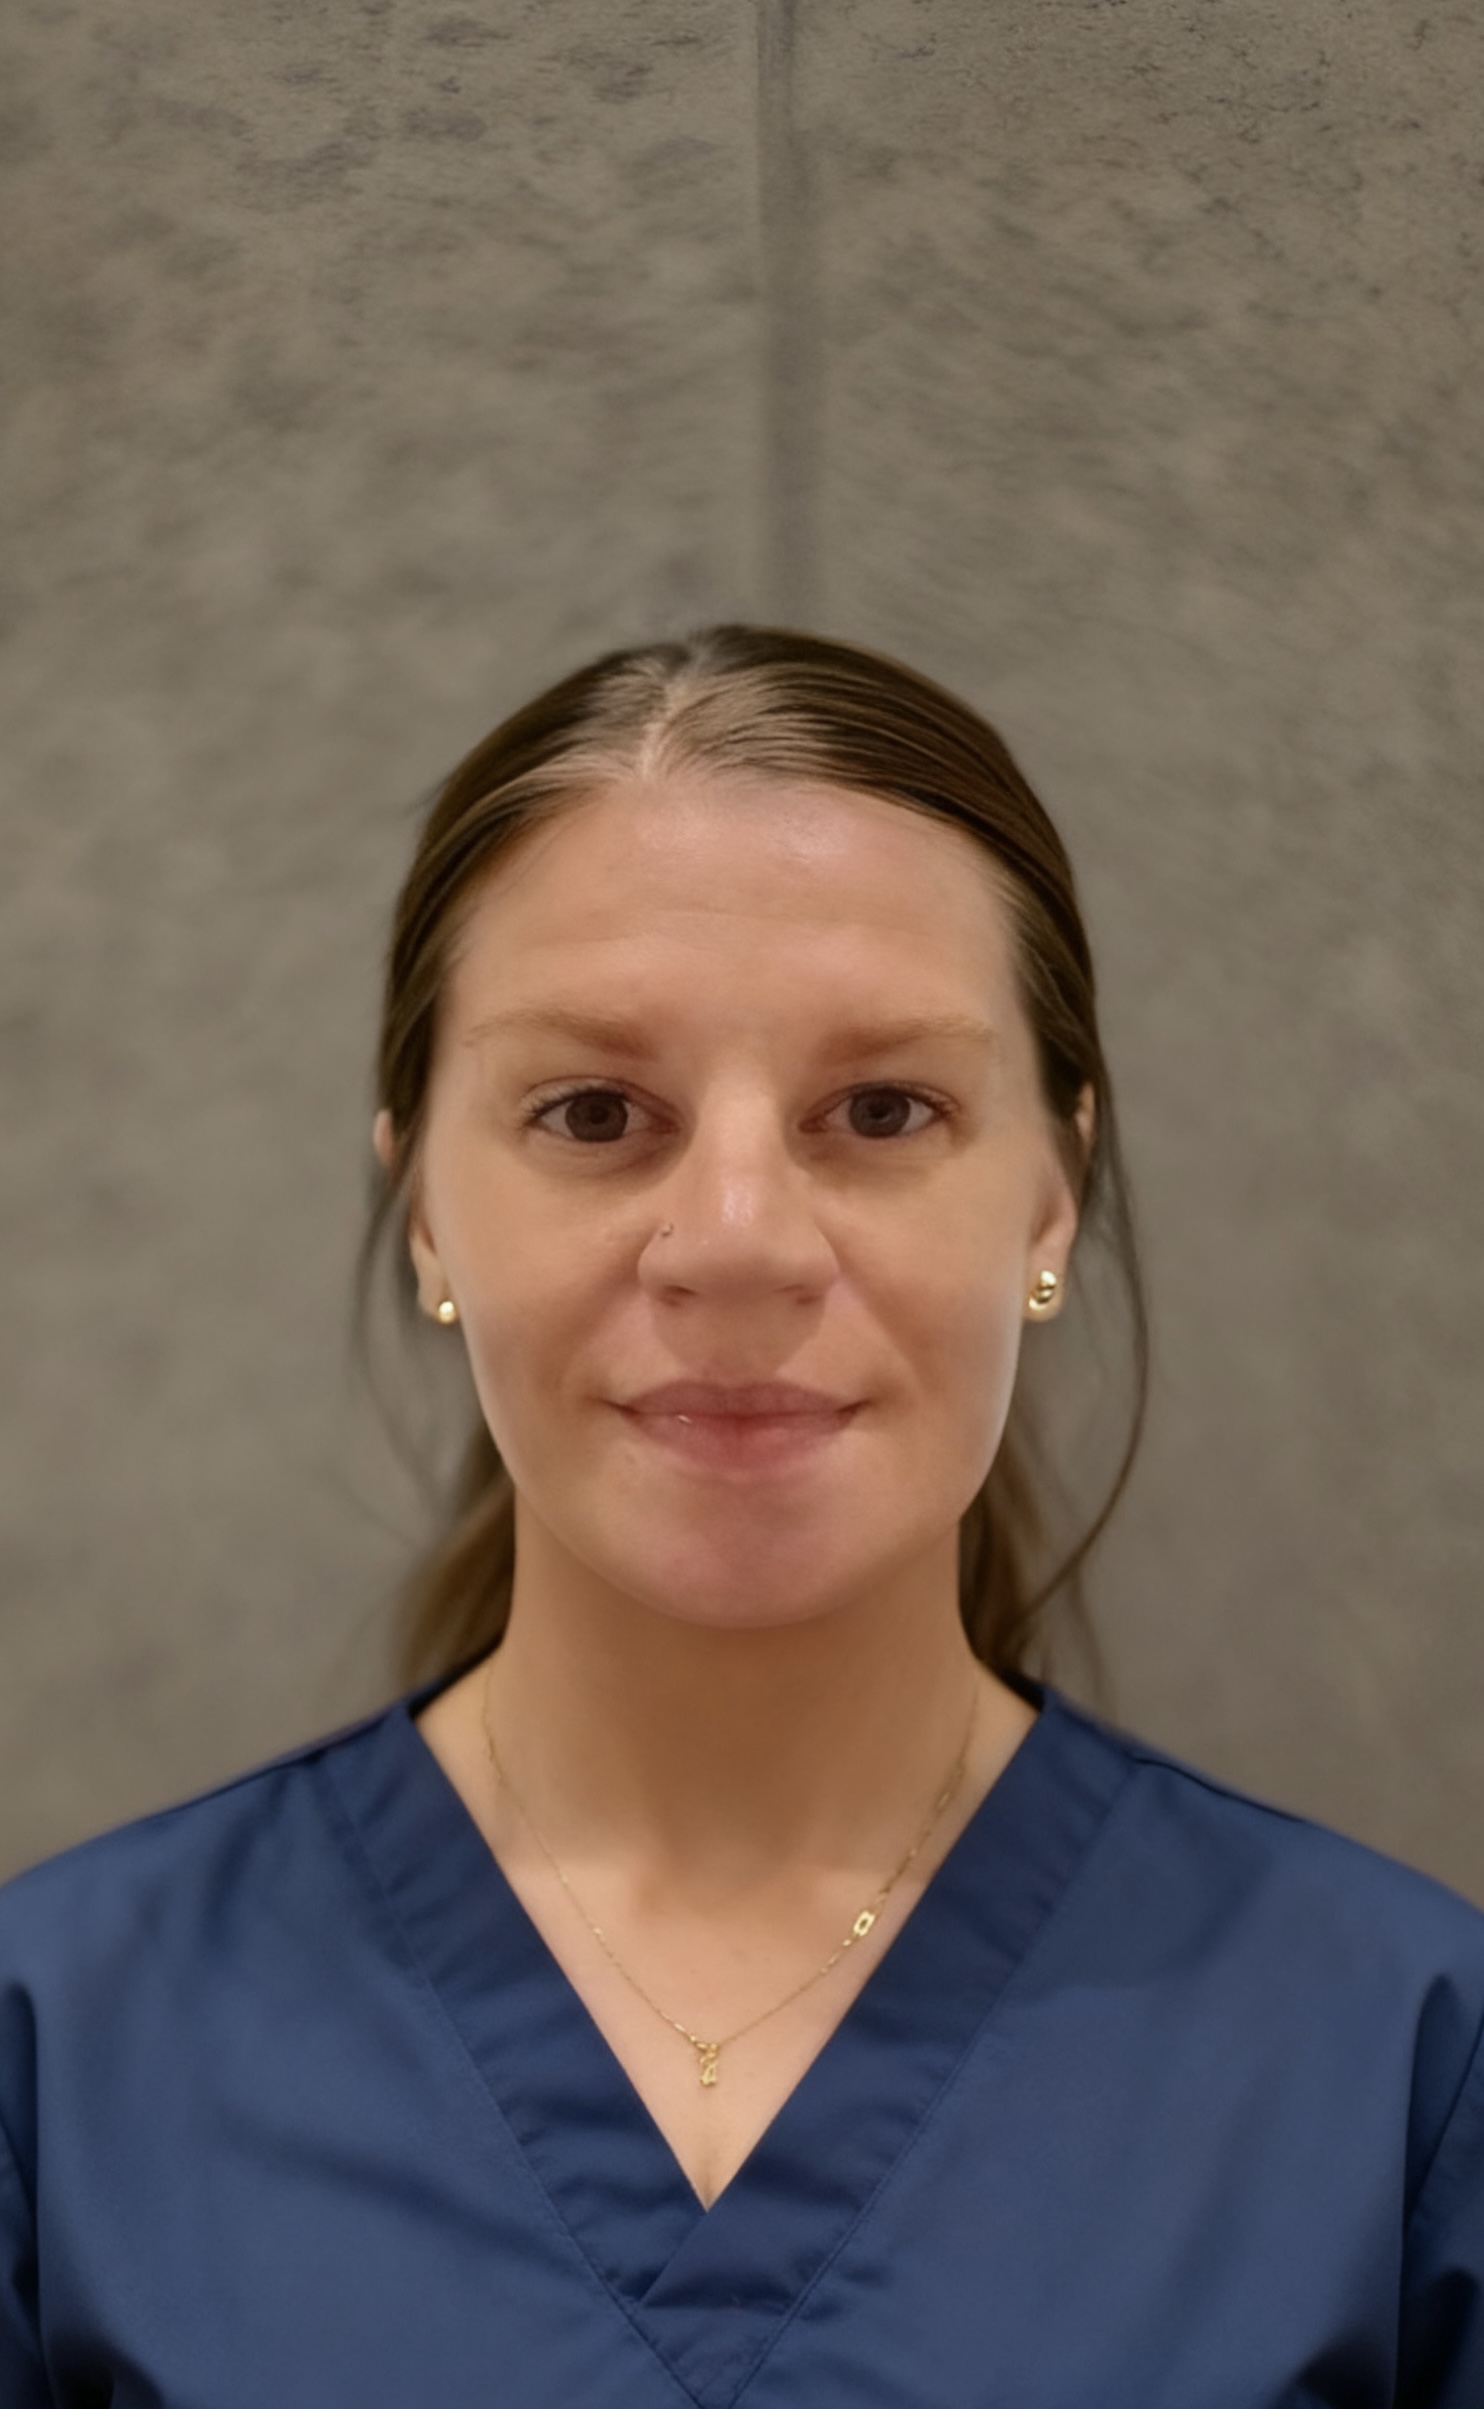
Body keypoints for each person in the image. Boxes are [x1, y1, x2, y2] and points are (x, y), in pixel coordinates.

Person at [0, 626, 1480, 2407]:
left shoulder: (1404, 2068)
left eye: (883, 1108)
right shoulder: (54, 2060)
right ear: (424, 1212)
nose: (738, 1243)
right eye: (594, 1111)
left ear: (1052, 1196)